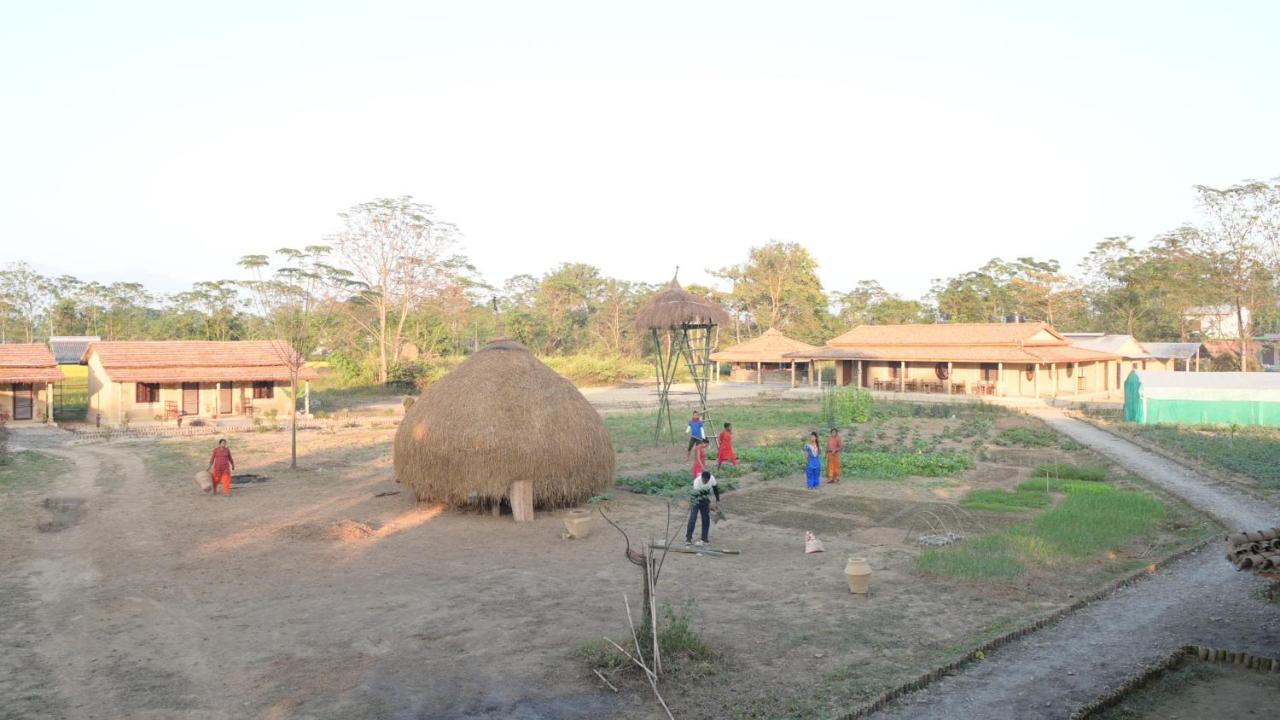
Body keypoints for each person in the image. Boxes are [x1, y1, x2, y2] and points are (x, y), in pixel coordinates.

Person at [686, 470, 721, 545]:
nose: (704, 481)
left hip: (705, 499)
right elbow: (698, 495)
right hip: (696, 499)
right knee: (693, 518)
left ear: (709, 479)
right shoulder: (697, 482)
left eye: (706, 481)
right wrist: (709, 504)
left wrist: (717, 500)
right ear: (701, 478)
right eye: (703, 480)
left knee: (706, 519)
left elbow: (715, 488)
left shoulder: (712, 479)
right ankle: (688, 538)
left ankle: (704, 538)